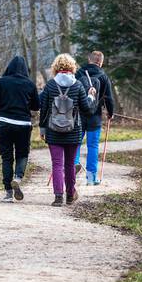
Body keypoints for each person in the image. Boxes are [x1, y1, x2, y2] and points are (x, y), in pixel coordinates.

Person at [38, 53, 91, 206]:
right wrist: (91, 98)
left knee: (57, 164)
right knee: (69, 165)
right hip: (74, 132)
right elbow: (86, 109)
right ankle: (70, 195)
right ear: (72, 67)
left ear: (56, 67)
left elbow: (44, 109)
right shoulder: (78, 85)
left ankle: (58, 197)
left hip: (53, 131)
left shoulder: (50, 85)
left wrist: (42, 129)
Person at [0, 55, 40, 201]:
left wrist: (1, 98)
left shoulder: (2, 81)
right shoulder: (30, 84)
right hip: (23, 124)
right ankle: (18, 177)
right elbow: (36, 106)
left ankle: (8, 192)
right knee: (22, 154)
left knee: (6, 157)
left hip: (4, 123)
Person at [75, 50, 115, 185]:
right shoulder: (103, 76)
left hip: (78, 115)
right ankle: (91, 179)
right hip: (95, 116)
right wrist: (111, 112)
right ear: (101, 62)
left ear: (89, 59)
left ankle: (73, 168)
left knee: (75, 143)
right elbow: (109, 98)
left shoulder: (79, 73)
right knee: (92, 146)